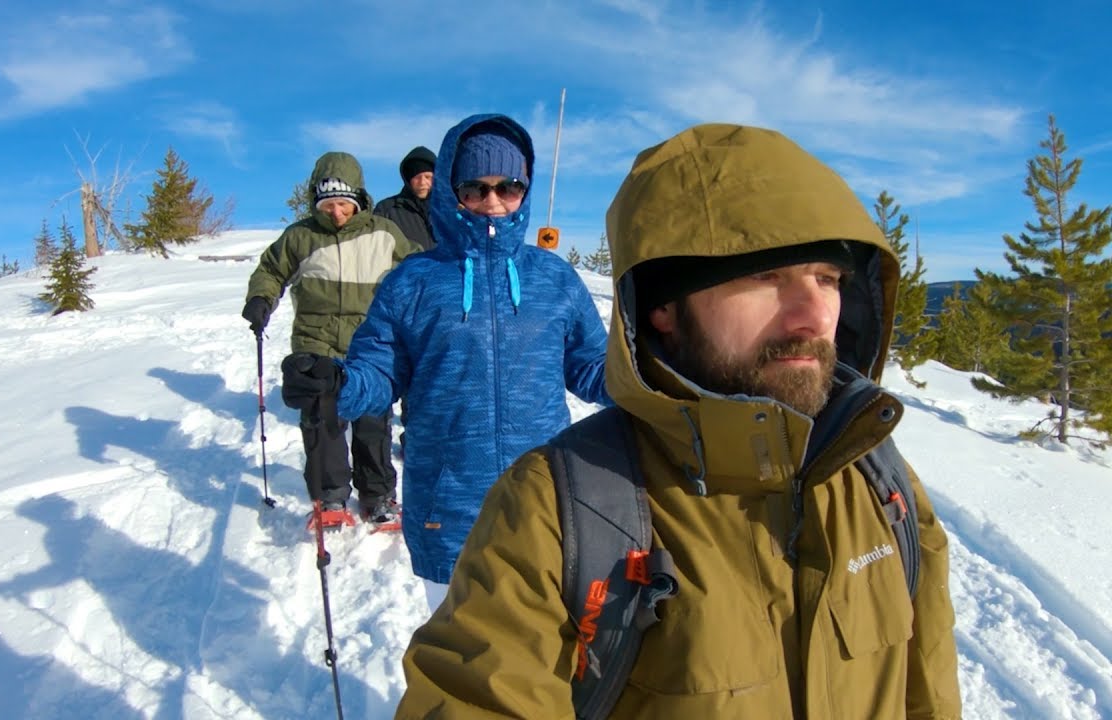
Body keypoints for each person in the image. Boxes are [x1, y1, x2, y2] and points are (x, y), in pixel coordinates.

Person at [394, 124, 962, 718]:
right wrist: (345, 387)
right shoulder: (556, 514)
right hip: (453, 491)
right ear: (663, 306)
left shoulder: (879, 484)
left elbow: (928, 696)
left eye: (828, 278)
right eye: (766, 277)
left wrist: (631, 391)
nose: (815, 315)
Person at [280, 114, 610, 609]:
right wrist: (337, 384)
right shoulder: (414, 280)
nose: (492, 202)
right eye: (474, 188)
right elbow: (380, 369)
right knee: (458, 644)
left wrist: (657, 377)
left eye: (508, 187)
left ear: (525, 190)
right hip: (446, 506)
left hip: (545, 503)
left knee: (550, 645)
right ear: (451, 192)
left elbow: (593, 368)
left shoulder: (554, 278)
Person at [242, 151, 419, 529]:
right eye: (327, 205)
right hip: (316, 342)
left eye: (343, 203)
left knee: (373, 423)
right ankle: (330, 497)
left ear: (359, 199)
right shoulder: (300, 236)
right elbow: (271, 270)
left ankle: (378, 495)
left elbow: (418, 271)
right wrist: (260, 298)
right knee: (323, 422)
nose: (336, 213)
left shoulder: (384, 234)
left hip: (370, 345)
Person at [374, 146, 437, 250]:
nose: (422, 182)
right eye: (417, 177)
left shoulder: (449, 209)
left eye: (428, 177)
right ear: (408, 180)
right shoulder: (386, 209)